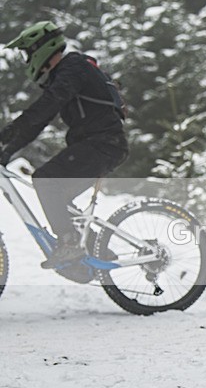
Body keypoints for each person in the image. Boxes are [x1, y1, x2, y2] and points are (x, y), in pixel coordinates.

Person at [0, 21, 128, 268]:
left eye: (28, 54)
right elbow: (39, 121)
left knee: (46, 180)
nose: (28, 61)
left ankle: (70, 245)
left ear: (41, 49)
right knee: (56, 194)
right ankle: (91, 248)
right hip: (100, 144)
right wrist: (8, 150)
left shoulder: (73, 67)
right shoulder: (66, 73)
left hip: (104, 144)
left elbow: (45, 108)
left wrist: (7, 134)